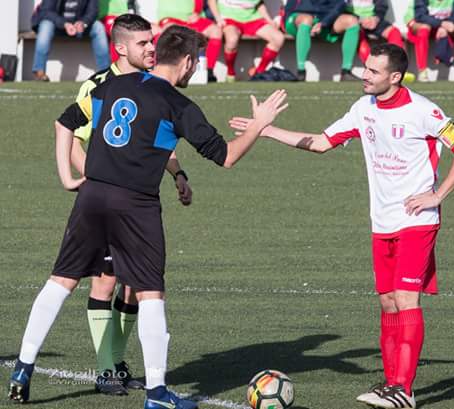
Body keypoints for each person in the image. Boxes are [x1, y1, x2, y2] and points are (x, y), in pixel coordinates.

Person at [8, 25, 287, 409]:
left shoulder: (110, 85)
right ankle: (156, 394)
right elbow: (227, 156)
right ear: (187, 61)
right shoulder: (178, 104)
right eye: (197, 63)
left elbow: (77, 122)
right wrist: (259, 124)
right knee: (151, 292)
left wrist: (172, 172)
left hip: (90, 195)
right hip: (134, 205)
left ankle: (22, 368)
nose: (195, 70)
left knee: (61, 280)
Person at [229, 43, 454, 409]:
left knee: (407, 300)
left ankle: (404, 391)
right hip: (382, 222)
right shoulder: (364, 109)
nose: (365, 74)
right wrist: (265, 131)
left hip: (417, 223)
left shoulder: (424, 111)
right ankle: (391, 383)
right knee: (389, 302)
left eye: (374, 71)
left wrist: (437, 195)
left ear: (394, 77)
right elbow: (321, 142)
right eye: (365, 67)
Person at [71, 13, 193, 396]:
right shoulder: (96, 85)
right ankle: (105, 369)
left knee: (133, 286)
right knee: (105, 279)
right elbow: (74, 138)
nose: (152, 48)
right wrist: (94, 180)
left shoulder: (149, 83)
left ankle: (119, 363)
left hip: (136, 198)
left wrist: (177, 173)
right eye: (144, 43)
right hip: (107, 194)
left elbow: (154, 138)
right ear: (122, 46)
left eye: (152, 42)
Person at [31, 0, 111, 81]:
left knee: (98, 27)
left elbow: (93, 11)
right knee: (45, 26)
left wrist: (83, 23)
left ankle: (105, 73)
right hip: (57, 25)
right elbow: (46, 11)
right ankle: (39, 71)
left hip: (79, 26)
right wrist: (64, 24)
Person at [207, 0, 285, 82]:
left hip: (253, 19)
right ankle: (230, 73)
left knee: (278, 38)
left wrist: (269, 20)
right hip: (229, 18)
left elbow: (258, 4)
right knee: (232, 40)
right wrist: (218, 18)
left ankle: (258, 73)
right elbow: (211, 1)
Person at [404, 0, 454, 82]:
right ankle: (422, 71)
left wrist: (445, 26)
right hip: (430, 25)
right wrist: (441, 24)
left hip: (449, 25)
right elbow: (420, 16)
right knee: (424, 29)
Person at [284, 0, 361, 81]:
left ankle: (346, 71)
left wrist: (324, 23)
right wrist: (284, 19)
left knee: (352, 21)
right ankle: (301, 72)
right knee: (306, 19)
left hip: (326, 20)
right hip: (300, 17)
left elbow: (340, 5)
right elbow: (291, 5)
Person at [156, 0, 223, 82]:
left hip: (191, 18)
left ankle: (209, 71)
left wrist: (197, 13)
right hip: (170, 17)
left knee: (216, 31)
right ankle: (169, 70)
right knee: (170, 30)